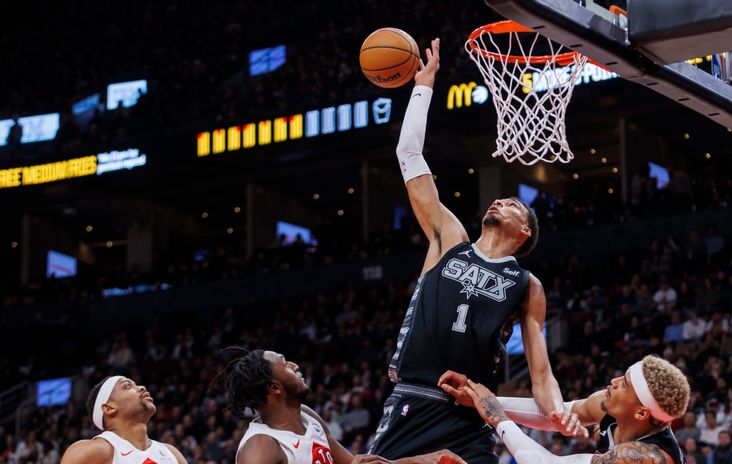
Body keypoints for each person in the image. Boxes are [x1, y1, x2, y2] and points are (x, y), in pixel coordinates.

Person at [369, 38, 580, 464]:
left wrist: (560, 411)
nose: (500, 201)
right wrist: (423, 87)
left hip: (470, 412)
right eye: (498, 199)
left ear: (524, 231)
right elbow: (408, 154)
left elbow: (540, 373)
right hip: (414, 397)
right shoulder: (449, 239)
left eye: (513, 204)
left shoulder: (526, 284)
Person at [218, 348, 464, 464]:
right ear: (274, 388)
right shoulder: (261, 446)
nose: (294, 364)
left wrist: (426, 460)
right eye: (285, 363)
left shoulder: (307, 417)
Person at [441, 355, 689, 464]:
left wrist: (497, 417)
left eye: (624, 384)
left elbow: (544, 463)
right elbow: (554, 414)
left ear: (641, 413)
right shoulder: (610, 404)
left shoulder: (648, 458)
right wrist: (479, 397)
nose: (613, 382)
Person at [60, 376, 187, 464]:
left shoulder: (171, 453)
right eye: (127, 386)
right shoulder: (94, 451)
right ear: (109, 408)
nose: (141, 387)